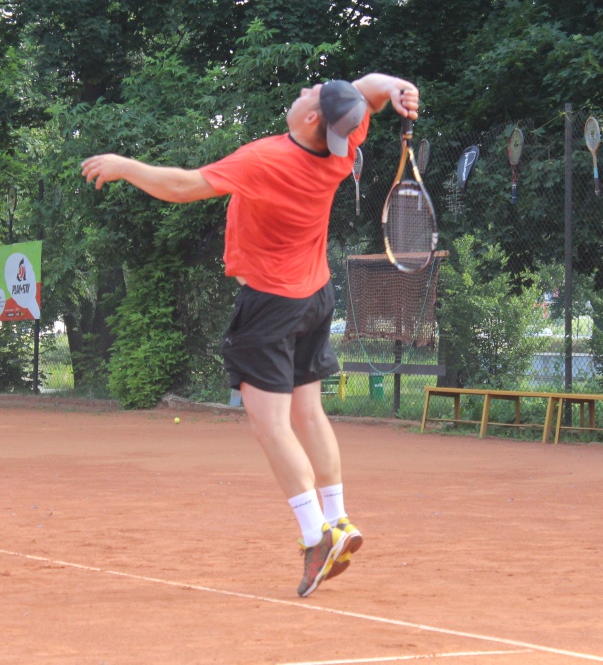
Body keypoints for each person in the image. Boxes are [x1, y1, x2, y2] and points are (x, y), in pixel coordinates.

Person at [81, 73, 419, 597]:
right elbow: (365, 91)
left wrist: (126, 167)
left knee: (270, 425)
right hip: (315, 296)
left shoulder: (267, 159)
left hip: (270, 306)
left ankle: (317, 536)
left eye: (310, 93)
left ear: (312, 117)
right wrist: (398, 88)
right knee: (309, 414)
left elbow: (184, 186)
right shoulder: (341, 144)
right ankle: (339, 517)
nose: (304, 91)